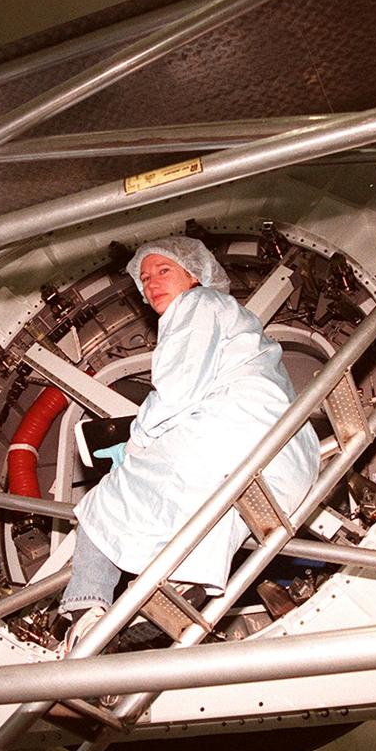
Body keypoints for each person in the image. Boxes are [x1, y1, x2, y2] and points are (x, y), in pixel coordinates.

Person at [59, 237, 320, 649]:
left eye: (164, 271)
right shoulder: (234, 317)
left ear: (195, 275)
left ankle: (84, 608)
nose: (151, 284)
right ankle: (185, 581)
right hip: (285, 457)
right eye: (144, 278)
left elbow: (177, 389)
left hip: (228, 433)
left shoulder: (197, 305)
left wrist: (136, 441)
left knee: (103, 502)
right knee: (211, 511)